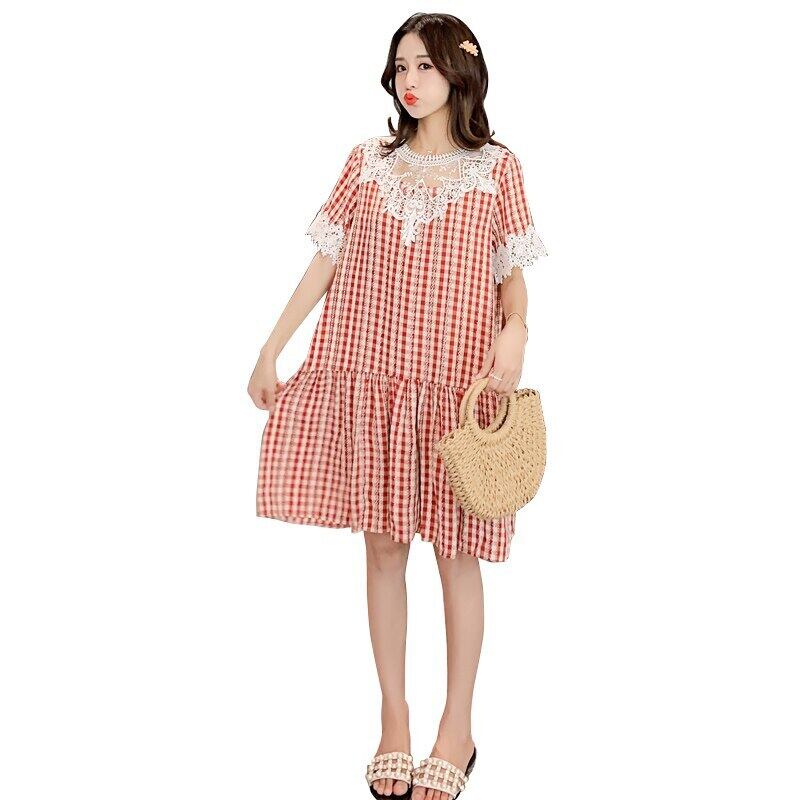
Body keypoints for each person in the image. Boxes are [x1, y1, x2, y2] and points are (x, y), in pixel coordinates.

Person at [247, 13, 548, 800]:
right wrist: (272, 347)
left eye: (425, 66)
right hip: (372, 375)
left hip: (454, 386)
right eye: (400, 67)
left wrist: (515, 332)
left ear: (459, 72)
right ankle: (393, 719)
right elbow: (326, 261)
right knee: (382, 547)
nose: (409, 81)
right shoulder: (367, 164)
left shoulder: (497, 169)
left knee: (455, 550)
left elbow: (513, 277)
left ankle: (459, 727)